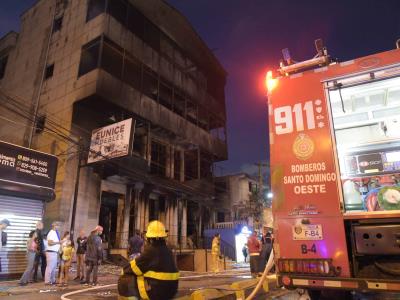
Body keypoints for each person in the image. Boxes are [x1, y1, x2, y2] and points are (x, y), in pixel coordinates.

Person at [118, 220, 179, 300]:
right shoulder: (168, 250)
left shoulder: (151, 250)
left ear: (150, 238)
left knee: (126, 278)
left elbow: (132, 268)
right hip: (171, 292)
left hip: (158, 293)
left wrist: (124, 269)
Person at [44, 221, 61, 285]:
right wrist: (58, 242)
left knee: (53, 268)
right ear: (54, 225)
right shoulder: (51, 233)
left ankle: (52, 280)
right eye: (58, 225)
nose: (59, 226)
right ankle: (47, 281)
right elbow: (50, 243)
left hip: (54, 252)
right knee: (50, 267)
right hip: (51, 252)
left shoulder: (55, 233)